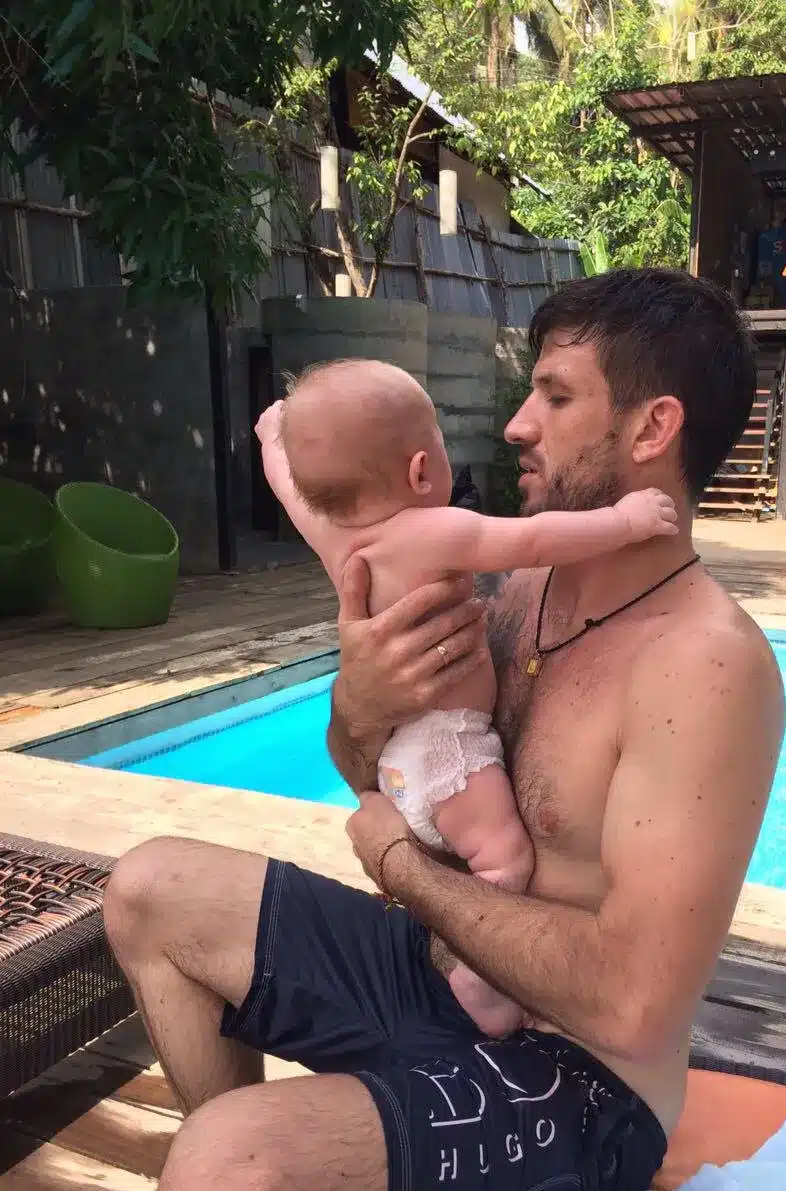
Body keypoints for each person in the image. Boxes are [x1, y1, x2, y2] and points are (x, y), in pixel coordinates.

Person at [88, 267, 785, 1191]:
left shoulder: (708, 665)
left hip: (579, 1083)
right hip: (444, 977)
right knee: (150, 887)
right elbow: (369, 766)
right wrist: (360, 702)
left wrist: (405, 872)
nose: (514, 426)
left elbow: (636, 1003)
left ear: (651, 428)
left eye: (553, 395)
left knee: (218, 1174)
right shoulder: (517, 589)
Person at [254, 357, 678, 1036]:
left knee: (474, 861)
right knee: (504, 861)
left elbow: (288, 487)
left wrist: (277, 434)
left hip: (400, 762)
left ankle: (439, 959)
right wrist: (626, 520)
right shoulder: (433, 531)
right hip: (449, 747)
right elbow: (534, 538)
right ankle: (482, 984)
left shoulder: (337, 540)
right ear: (422, 471)